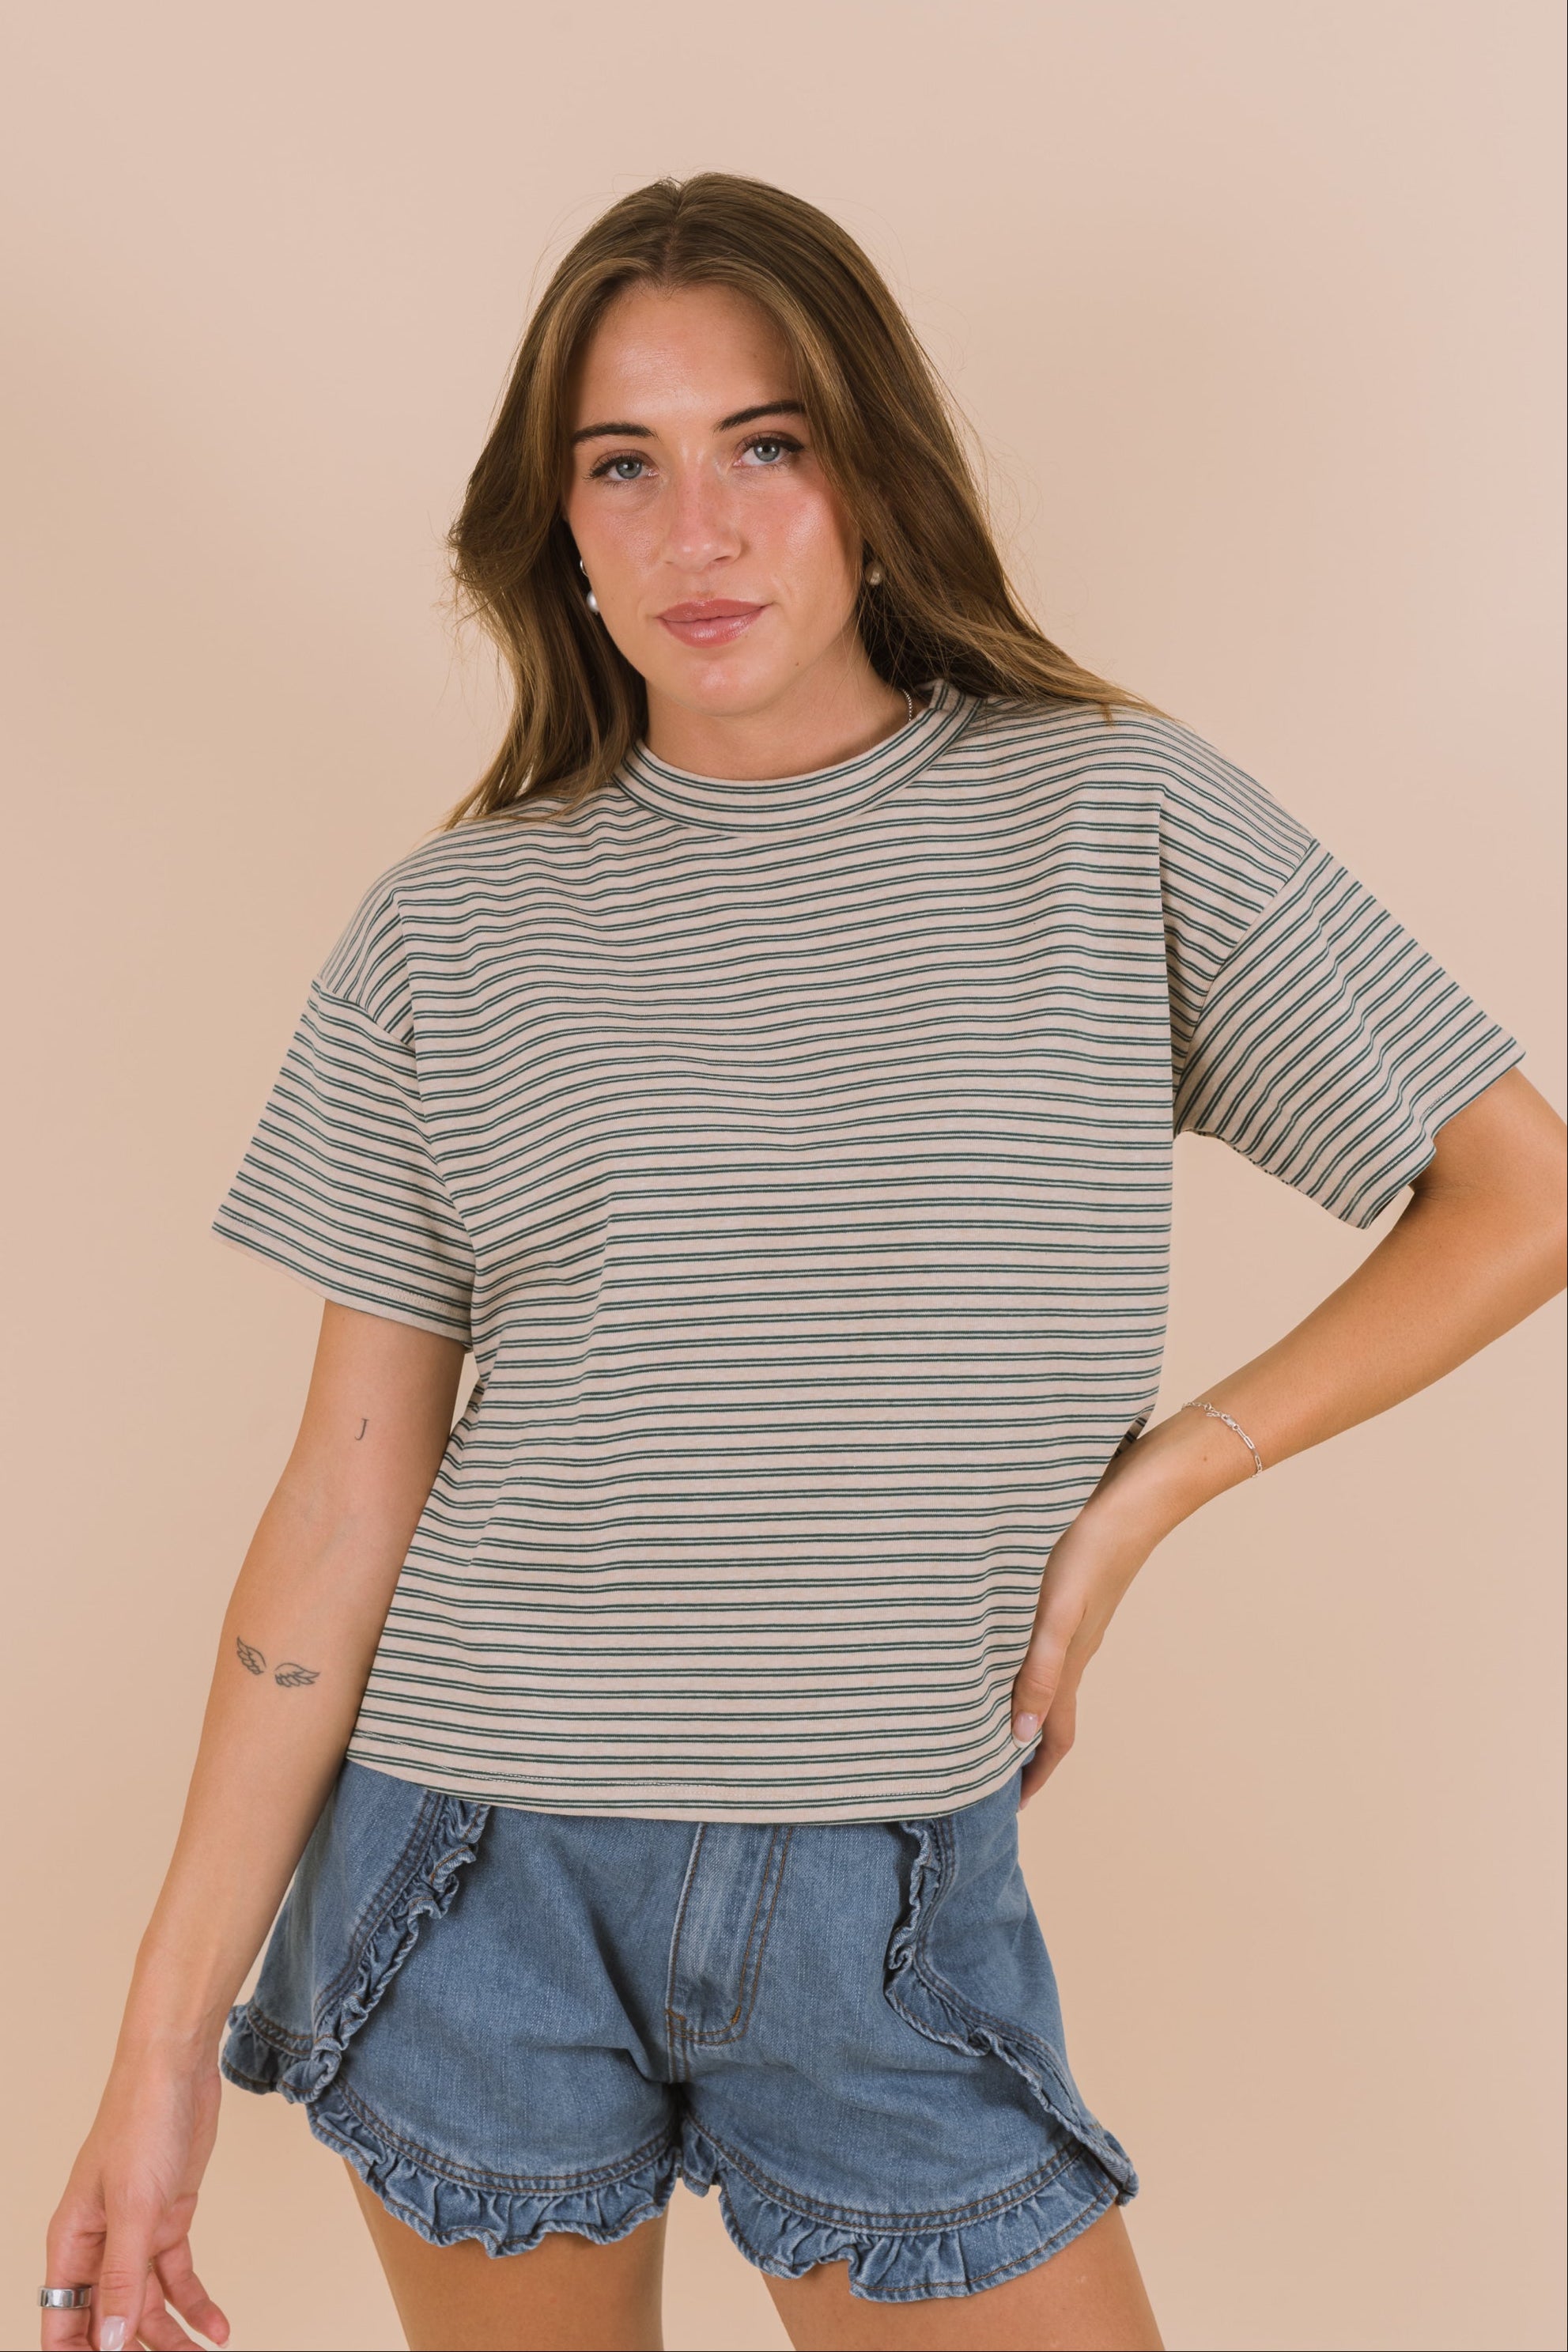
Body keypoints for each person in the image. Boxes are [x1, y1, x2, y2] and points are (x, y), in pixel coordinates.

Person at [40, 172, 1565, 2352]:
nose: (702, 531)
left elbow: (1522, 1191)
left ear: (871, 474)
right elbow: (341, 1498)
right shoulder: (447, 927)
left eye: (769, 445)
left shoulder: (1106, 817)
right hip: (469, 1868)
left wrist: (1148, 1494)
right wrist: (155, 2050)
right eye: (623, 467)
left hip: (884, 1877)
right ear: (554, 530)